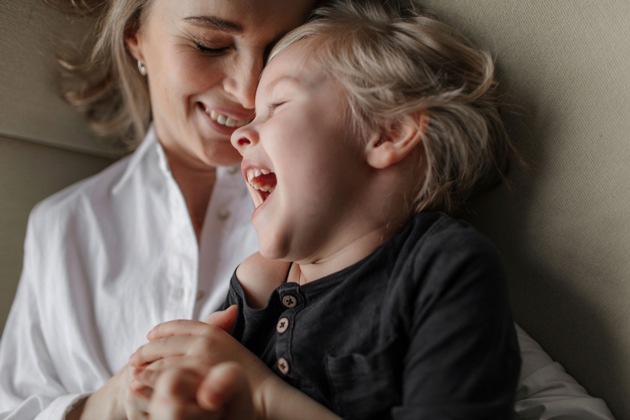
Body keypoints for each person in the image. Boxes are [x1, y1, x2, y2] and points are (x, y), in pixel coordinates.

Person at [130, 1, 524, 418]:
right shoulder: (258, 292)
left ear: (388, 132)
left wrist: (263, 397)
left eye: (277, 106)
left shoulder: (443, 270)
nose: (241, 134)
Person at [0, 0, 321, 418]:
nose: (248, 90)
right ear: (135, 36)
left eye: (278, 49)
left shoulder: (334, 208)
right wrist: (110, 403)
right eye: (209, 45)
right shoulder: (63, 227)